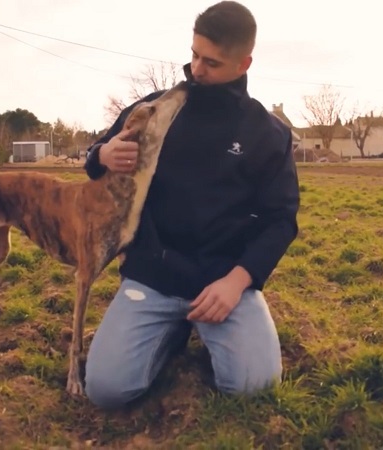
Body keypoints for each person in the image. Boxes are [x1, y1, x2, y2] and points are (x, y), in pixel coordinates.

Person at [82, 0, 300, 409]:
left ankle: (216, 328)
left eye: (212, 62)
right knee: (107, 390)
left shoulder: (266, 133)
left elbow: (280, 220)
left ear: (244, 63)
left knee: (255, 387)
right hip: (153, 275)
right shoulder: (156, 109)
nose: (197, 69)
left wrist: (237, 283)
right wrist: (104, 155)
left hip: (223, 284)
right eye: (194, 54)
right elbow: (93, 158)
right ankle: (171, 334)